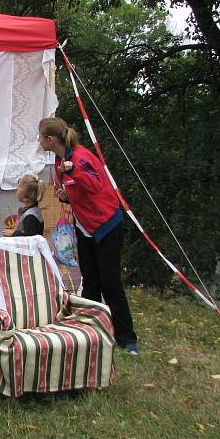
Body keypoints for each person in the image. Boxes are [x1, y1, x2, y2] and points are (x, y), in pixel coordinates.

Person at [38, 116, 138, 354]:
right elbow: (76, 192)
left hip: (106, 225)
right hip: (85, 227)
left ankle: (127, 339)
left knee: (110, 282)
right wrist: (66, 196)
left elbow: (95, 185)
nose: (38, 141)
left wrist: (75, 174)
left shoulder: (80, 158)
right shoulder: (60, 161)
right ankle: (89, 334)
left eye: (40, 137)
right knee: (90, 281)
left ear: (50, 139)